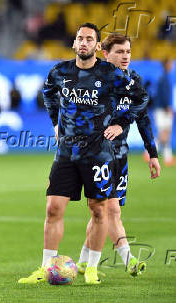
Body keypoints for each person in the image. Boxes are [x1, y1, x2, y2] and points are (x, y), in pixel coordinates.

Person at [18, 23, 148, 285]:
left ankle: (90, 268)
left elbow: (139, 98)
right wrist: (56, 123)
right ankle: (45, 268)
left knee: (98, 211)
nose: (84, 42)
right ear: (74, 44)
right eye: (80, 38)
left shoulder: (111, 73)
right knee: (53, 208)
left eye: (90, 38)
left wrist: (120, 124)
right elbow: (48, 94)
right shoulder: (59, 71)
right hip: (66, 151)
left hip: (98, 153)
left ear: (97, 46)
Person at [76, 33, 161, 277]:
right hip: (97, 154)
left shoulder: (133, 80)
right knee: (109, 210)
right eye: (120, 52)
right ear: (105, 53)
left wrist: (152, 153)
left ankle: (83, 261)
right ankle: (129, 260)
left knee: (102, 212)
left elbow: (142, 116)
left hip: (120, 156)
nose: (126, 57)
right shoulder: (93, 79)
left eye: (128, 52)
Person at [154, 58, 174, 166]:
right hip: (163, 109)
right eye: (170, 63)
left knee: (166, 134)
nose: (172, 65)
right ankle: (150, 153)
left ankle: (168, 157)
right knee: (165, 134)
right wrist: (168, 106)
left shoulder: (163, 78)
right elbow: (165, 94)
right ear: (166, 65)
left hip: (161, 109)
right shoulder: (165, 78)